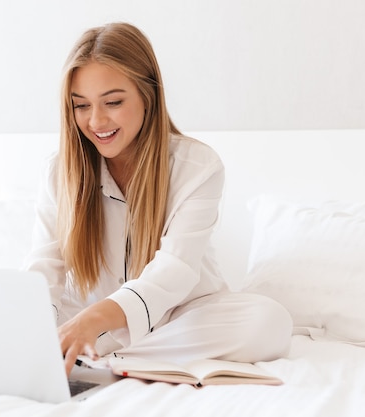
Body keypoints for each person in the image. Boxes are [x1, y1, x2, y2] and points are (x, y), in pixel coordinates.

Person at [25, 22, 292, 376]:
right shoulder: (59, 171)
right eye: (81, 106)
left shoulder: (197, 166)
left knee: (268, 322)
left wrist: (94, 320)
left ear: (147, 94)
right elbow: (44, 267)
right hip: (92, 320)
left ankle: (106, 357)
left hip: (180, 316)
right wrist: (31, 329)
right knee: (15, 308)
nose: (96, 120)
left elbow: (175, 271)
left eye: (114, 102)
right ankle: (95, 350)